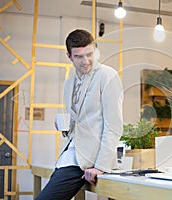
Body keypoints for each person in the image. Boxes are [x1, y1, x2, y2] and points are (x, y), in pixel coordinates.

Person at [36, 29, 123, 200]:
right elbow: (78, 125)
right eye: (79, 57)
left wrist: (100, 166)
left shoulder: (108, 76)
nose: (86, 61)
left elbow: (113, 126)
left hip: (87, 161)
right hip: (67, 156)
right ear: (69, 56)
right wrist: (65, 128)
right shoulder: (69, 83)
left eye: (89, 54)